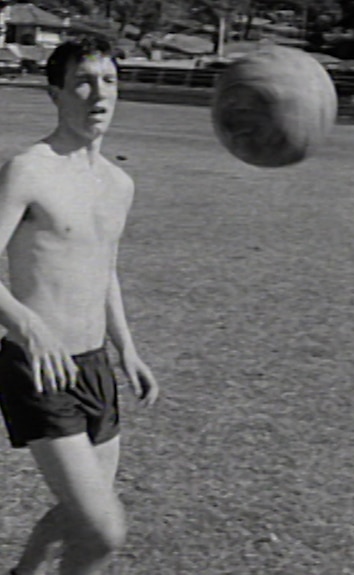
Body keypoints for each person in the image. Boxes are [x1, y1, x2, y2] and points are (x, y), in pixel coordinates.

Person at [0, 37, 159, 575]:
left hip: (96, 367)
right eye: (84, 82)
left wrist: (128, 350)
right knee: (102, 530)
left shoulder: (119, 184)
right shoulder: (28, 169)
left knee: (82, 511)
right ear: (55, 94)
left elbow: (102, 268)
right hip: (38, 368)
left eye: (110, 81)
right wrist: (26, 324)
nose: (100, 94)